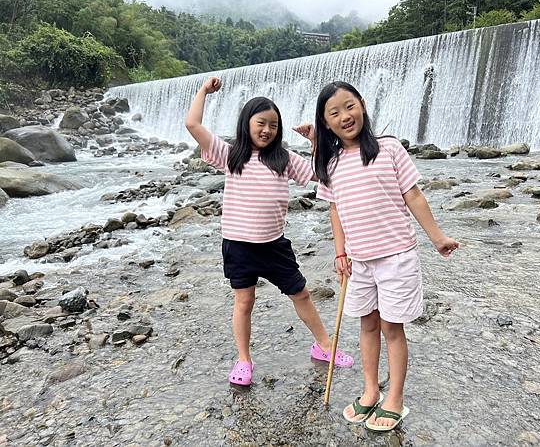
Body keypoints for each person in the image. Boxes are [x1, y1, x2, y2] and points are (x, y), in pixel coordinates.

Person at [295, 81, 459, 431]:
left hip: (396, 256)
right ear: (326, 123)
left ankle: (394, 398)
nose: (345, 116)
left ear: (363, 105)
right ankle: (370, 391)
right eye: (334, 113)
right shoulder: (331, 163)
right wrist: (340, 252)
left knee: (391, 327)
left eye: (349, 106)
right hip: (359, 261)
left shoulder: (389, 148)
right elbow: (335, 210)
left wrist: (437, 237)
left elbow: (413, 195)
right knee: (367, 324)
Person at [185, 77, 354, 386]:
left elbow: (321, 174)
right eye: (261, 123)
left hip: (274, 245)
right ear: (246, 124)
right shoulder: (231, 155)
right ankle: (244, 359)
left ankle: (324, 346)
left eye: (273, 126)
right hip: (238, 246)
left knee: (301, 293)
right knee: (244, 302)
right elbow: (192, 125)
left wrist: (315, 141)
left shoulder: (283, 159)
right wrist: (203, 92)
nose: (267, 130)